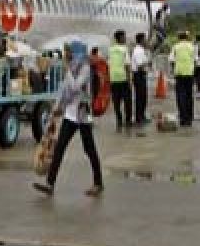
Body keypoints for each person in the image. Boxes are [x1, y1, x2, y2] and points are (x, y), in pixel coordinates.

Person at [33, 42, 104, 197]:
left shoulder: (84, 68)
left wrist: (68, 71)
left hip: (82, 113)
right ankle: (50, 183)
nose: (67, 55)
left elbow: (75, 87)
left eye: (69, 52)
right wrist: (57, 107)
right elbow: (64, 89)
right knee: (59, 148)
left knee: (89, 149)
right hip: (70, 114)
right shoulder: (72, 67)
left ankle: (98, 183)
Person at [108, 30, 133, 130]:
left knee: (116, 102)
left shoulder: (110, 49)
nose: (125, 38)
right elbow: (127, 65)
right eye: (124, 37)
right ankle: (128, 121)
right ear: (119, 38)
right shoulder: (124, 49)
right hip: (123, 78)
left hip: (113, 79)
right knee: (127, 101)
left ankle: (119, 120)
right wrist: (129, 79)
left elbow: (109, 63)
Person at [171, 30, 196, 126]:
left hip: (179, 74)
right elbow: (195, 60)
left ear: (179, 37)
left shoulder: (176, 47)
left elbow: (171, 60)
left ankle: (183, 117)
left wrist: (174, 70)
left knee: (181, 96)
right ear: (186, 37)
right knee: (189, 96)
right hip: (189, 74)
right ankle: (189, 118)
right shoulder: (191, 46)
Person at [131, 32, 151, 125]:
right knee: (140, 97)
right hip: (139, 75)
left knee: (142, 97)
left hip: (140, 75)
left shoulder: (141, 50)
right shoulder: (139, 51)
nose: (146, 41)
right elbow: (139, 65)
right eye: (145, 39)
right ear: (142, 40)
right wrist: (148, 63)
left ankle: (141, 116)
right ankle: (139, 118)